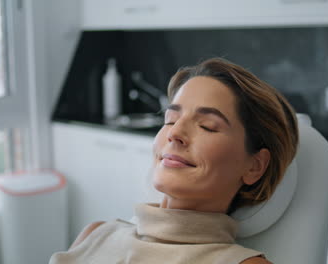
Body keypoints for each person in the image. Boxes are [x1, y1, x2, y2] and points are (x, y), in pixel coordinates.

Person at [49, 58, 299, 264]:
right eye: (169, 119)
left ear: (254, 166)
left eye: (207, 126)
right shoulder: (97, 234)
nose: (174, 133)